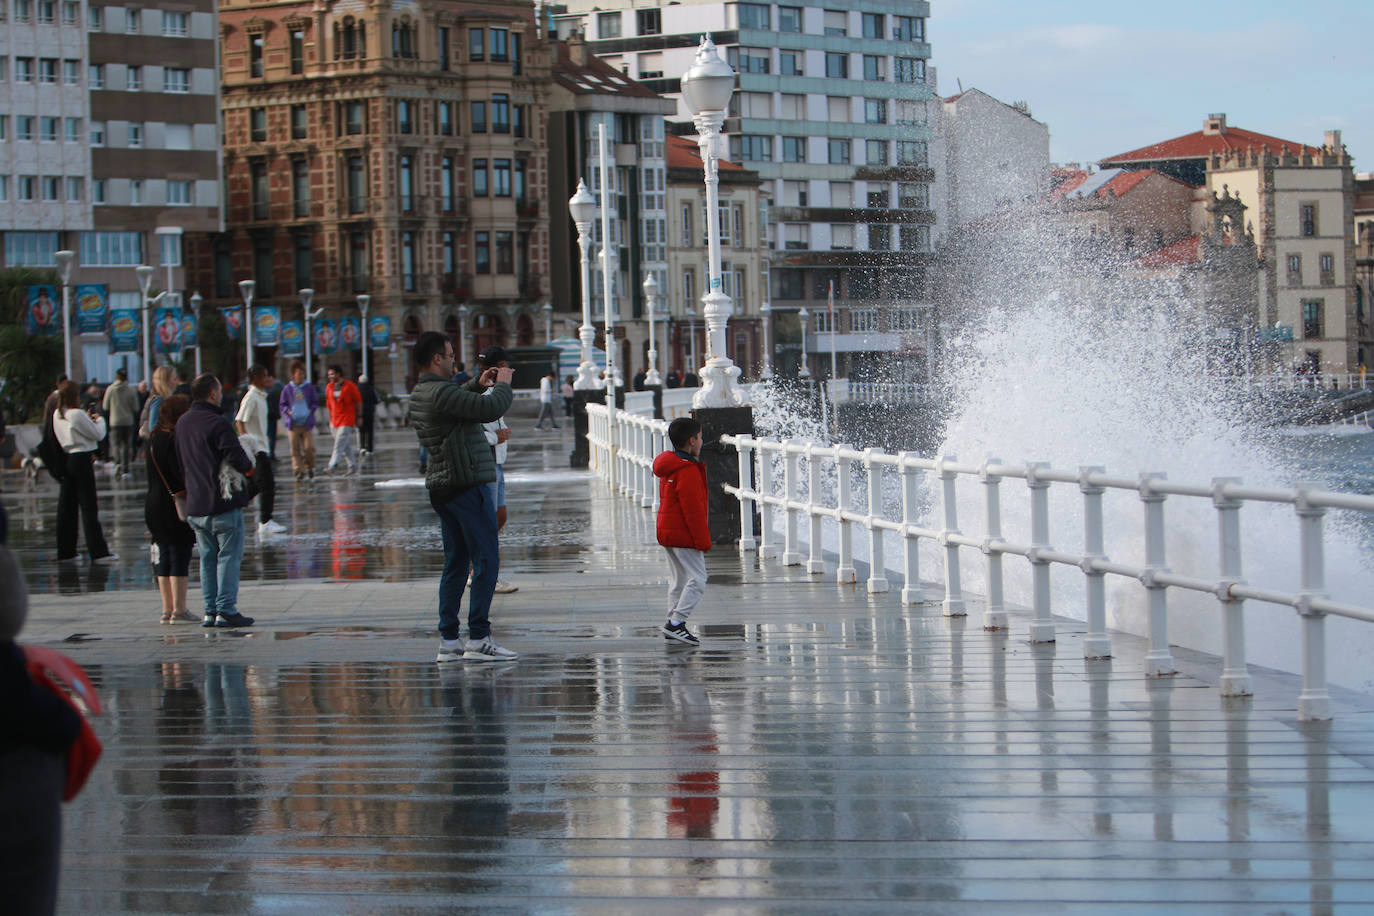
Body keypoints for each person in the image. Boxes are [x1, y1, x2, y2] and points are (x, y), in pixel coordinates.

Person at [408, 331, 517, 662]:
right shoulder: (439, 392)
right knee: (486, 558)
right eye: (451, 354)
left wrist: (478, 383)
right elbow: (490, 408)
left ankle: (450, 640)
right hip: (465, 484)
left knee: (456, 562)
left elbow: (459, 405)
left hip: (444, 486)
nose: (455, 359)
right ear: (436, 359)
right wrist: (503, 383)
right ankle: (479, 637)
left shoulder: (426, 392)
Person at [175, 373, 256, 628]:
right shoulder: (217, 423)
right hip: (221, 502)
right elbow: (238, 460)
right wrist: (251, 468)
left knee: (208, 558)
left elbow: (181, 462)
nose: (221, 395)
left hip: (196, 504)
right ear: (212, 393)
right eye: (219, 391)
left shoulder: (183, 423)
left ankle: (210, 610)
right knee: (229, 557)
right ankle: (226, 609)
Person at [653, 417, 711, 646]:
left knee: (678, 579)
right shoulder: (687, 470)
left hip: (668, 530)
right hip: (683, 534)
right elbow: (693, 510)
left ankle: (672, 621)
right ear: (692, 440)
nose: (702, 441)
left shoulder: (671, 465)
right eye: (700, 437)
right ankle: (677, 623)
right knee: (698, 578)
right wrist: (702, 541)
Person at [144, 395, 198, 623]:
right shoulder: (172, 439)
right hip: (173, 504)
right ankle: (180, 609)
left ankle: (167, 609)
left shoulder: (153, 438)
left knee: (164, 554)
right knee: (180, 553)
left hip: (153, 503)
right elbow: (178, 474)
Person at [51, 381, 117, 564]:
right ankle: (98, 551)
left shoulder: (58, 414)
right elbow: (98, 434)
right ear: (76, 396)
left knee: (67, 508)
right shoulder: (77, 414)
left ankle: (66, 551)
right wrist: (99, 420)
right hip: (82, 459)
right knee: (88, 507)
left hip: (68, 458)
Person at [476, 346, 518, 595]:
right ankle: (485, 573)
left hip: (497, 464)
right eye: (504, 366)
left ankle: (482, 567)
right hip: (487, 463)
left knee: (499, 517)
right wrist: (496, 437)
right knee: (488, 520)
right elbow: (472, 429)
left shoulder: (494, 392)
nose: (509, 371)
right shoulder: (480, 394)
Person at [235, 365, 286, 536]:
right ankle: (265, 521)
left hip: (262, 446)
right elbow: (240, 421)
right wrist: (248, 444)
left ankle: (231, 506)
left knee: (256, 485)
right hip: (257, 449)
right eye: (264, 376)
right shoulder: (251, 397)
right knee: (267, 484)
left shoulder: (261, 396)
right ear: (256, 378)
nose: (267, 379)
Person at [279, 360, 319, 481]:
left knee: (309, 448)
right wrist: (288, 412)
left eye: (302, 373)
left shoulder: (309, 387)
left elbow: (315, 402)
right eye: (298, 373)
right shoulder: (287, 388)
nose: (301, 376)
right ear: (293, 375)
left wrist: (311, 411)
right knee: (295, 449)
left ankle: (310, 467)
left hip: (306, 423)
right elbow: (282, 404)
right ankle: (299, 470)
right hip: (293, 423)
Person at [324, 365, 362, 475]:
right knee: (345, 444)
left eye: (332, 374)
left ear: (338, 374)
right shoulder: (329, 387)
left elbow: (358, 401)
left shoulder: (350, 386)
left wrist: (359, 416)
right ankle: (353, 465)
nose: (330, 376)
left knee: (339, 444)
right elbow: (328, 403)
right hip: (334, 420)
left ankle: (332, 465)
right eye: (329, 374)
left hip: (347, 419)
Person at [102, 368, 139, 477]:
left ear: (116, 376)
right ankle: (126, 469)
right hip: (128, 421)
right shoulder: (131, 390)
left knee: (115, 444)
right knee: (126, 445)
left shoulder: (111, 389)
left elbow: (105, 406)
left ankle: (117, 462)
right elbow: (136, 407)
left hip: (115, 420)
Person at [137, 366, 177, 442]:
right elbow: (153, 426)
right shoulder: (159, 399)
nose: (176, 382)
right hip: (157, 444)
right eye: (174, 379)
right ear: (165, 381)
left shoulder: (157, 398)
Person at [358, 374, 380, 454]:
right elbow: (376, 400)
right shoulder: (371, 388)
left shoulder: (357, 389)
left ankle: (362, 446)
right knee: (370, 431)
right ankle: (370, 448)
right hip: (370, 412)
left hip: (360, 413)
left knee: (361, 430)